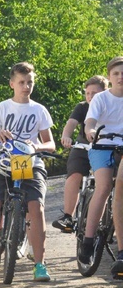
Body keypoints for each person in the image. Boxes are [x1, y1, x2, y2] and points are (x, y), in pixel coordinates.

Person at [0, 62, 55, 282]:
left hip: (30, 163)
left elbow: (51, 144)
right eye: (21, 82)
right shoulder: (2, 108)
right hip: (3, 164)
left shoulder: (39, 110)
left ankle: (40, 264)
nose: (26, 87)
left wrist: (37, 147)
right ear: (12, 84)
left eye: (30, 82)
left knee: (36, 207)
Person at [80, 57, 123, 273]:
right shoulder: (101, 99)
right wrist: (90, 131)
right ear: (109, 77)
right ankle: (88, 239)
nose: (120, 77)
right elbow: (91, 121)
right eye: (116, 73)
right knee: (104, 186)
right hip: (102, 146)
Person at [52, 75, 109, 232]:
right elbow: (71, 123)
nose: (90, 97)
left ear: (105, 93)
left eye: (94, 93)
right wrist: (66, 136)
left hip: (106, 148)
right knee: (74, 175)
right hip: (84, 146)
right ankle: (68, 217)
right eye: (88, 93)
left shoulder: (111, 105)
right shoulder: (82, 107)